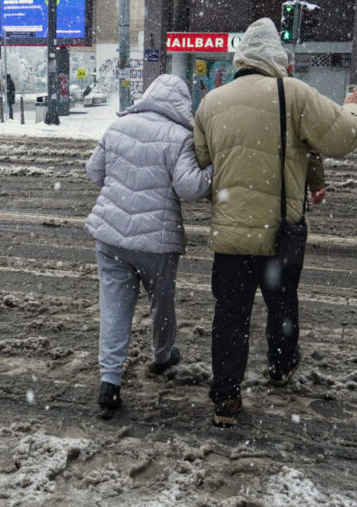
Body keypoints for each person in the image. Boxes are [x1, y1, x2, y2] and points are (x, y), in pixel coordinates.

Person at [193, 18, 357, 427]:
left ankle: (226, 399)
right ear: (278, 57)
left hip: (231, 235)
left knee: (230, 315)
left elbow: (202, 159)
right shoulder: (293, 94)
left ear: (241, 57)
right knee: (281, 305)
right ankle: (280, 366)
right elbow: (343, 138)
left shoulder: (211, 101)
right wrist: (355, 107)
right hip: (279, 234)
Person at [85, 74, 213, 414]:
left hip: (110, 237)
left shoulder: (119, 126)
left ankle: (109, 384)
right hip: (156, 243)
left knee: (114, 309)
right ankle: (161, 356)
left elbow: (94, 172)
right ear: (183, 104)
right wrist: (213, 171)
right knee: (162, 302)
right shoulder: (181, 136)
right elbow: (190, 189)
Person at [284, 49, 327, 206]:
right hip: (288, 194)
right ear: (290, 68)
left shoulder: (237, 94)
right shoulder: (298, 96)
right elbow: (311, 150)